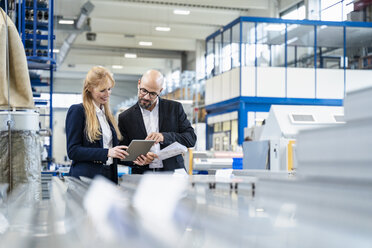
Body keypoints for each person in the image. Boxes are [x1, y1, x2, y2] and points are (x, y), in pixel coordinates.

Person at [118, 69, 197, 174]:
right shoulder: (126, 117)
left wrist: (164, 137)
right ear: (139, 84)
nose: (146, 97)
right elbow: (121, 152)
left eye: (152, 94)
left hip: (173, 174)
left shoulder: (174, 108)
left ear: (160, 91)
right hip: (143, 176)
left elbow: (191, 139)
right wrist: (137, 160)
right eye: (144, 91)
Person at [65, 66, 129, 184]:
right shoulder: (78, 111)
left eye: (109, 89)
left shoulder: (107, 116)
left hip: (109, 175)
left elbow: (113, 152)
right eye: (102, 90)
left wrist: (135, 159)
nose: (107, 94)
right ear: (89, 88)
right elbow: (73, 151)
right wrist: (107, 152)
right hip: (86, 179)